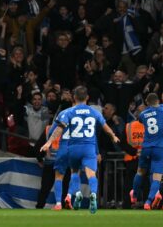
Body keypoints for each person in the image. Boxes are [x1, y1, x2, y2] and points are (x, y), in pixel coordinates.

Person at [41, 86, 119, 214]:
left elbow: (54, 130)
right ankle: (79, 195)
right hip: (88, 147)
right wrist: (112, 137)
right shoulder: (94, 112)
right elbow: (99, 131)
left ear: (73, 97)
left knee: (63, 175)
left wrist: (49, 142)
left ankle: (60, 203)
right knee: (90, 174)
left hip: (69, 147)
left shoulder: (66, 113)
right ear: (87, 97)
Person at [130, 93, 163, 210]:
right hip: (160, 148)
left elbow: (140, 120)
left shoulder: (143, 114)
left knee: (140, 172)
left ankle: (134, 195)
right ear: (158, 100)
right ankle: (148, 202)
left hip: (146, 148)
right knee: (157, 177)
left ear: (147, 103)